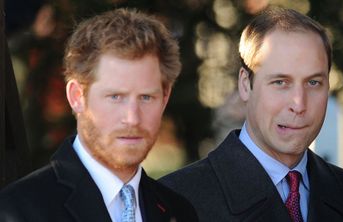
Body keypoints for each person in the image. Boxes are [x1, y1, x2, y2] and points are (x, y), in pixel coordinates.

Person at [160, 7, 343, 222]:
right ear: (245, 85)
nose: (299, 103)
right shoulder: (176, 200)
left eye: (313, 82)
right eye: (280, 82)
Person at [0, 8, 197, 222]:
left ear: (165, 98)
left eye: (146, 97)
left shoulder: (180, 211)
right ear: (77, 96)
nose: (132, 117)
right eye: (115, 97)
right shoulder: (19, 211)